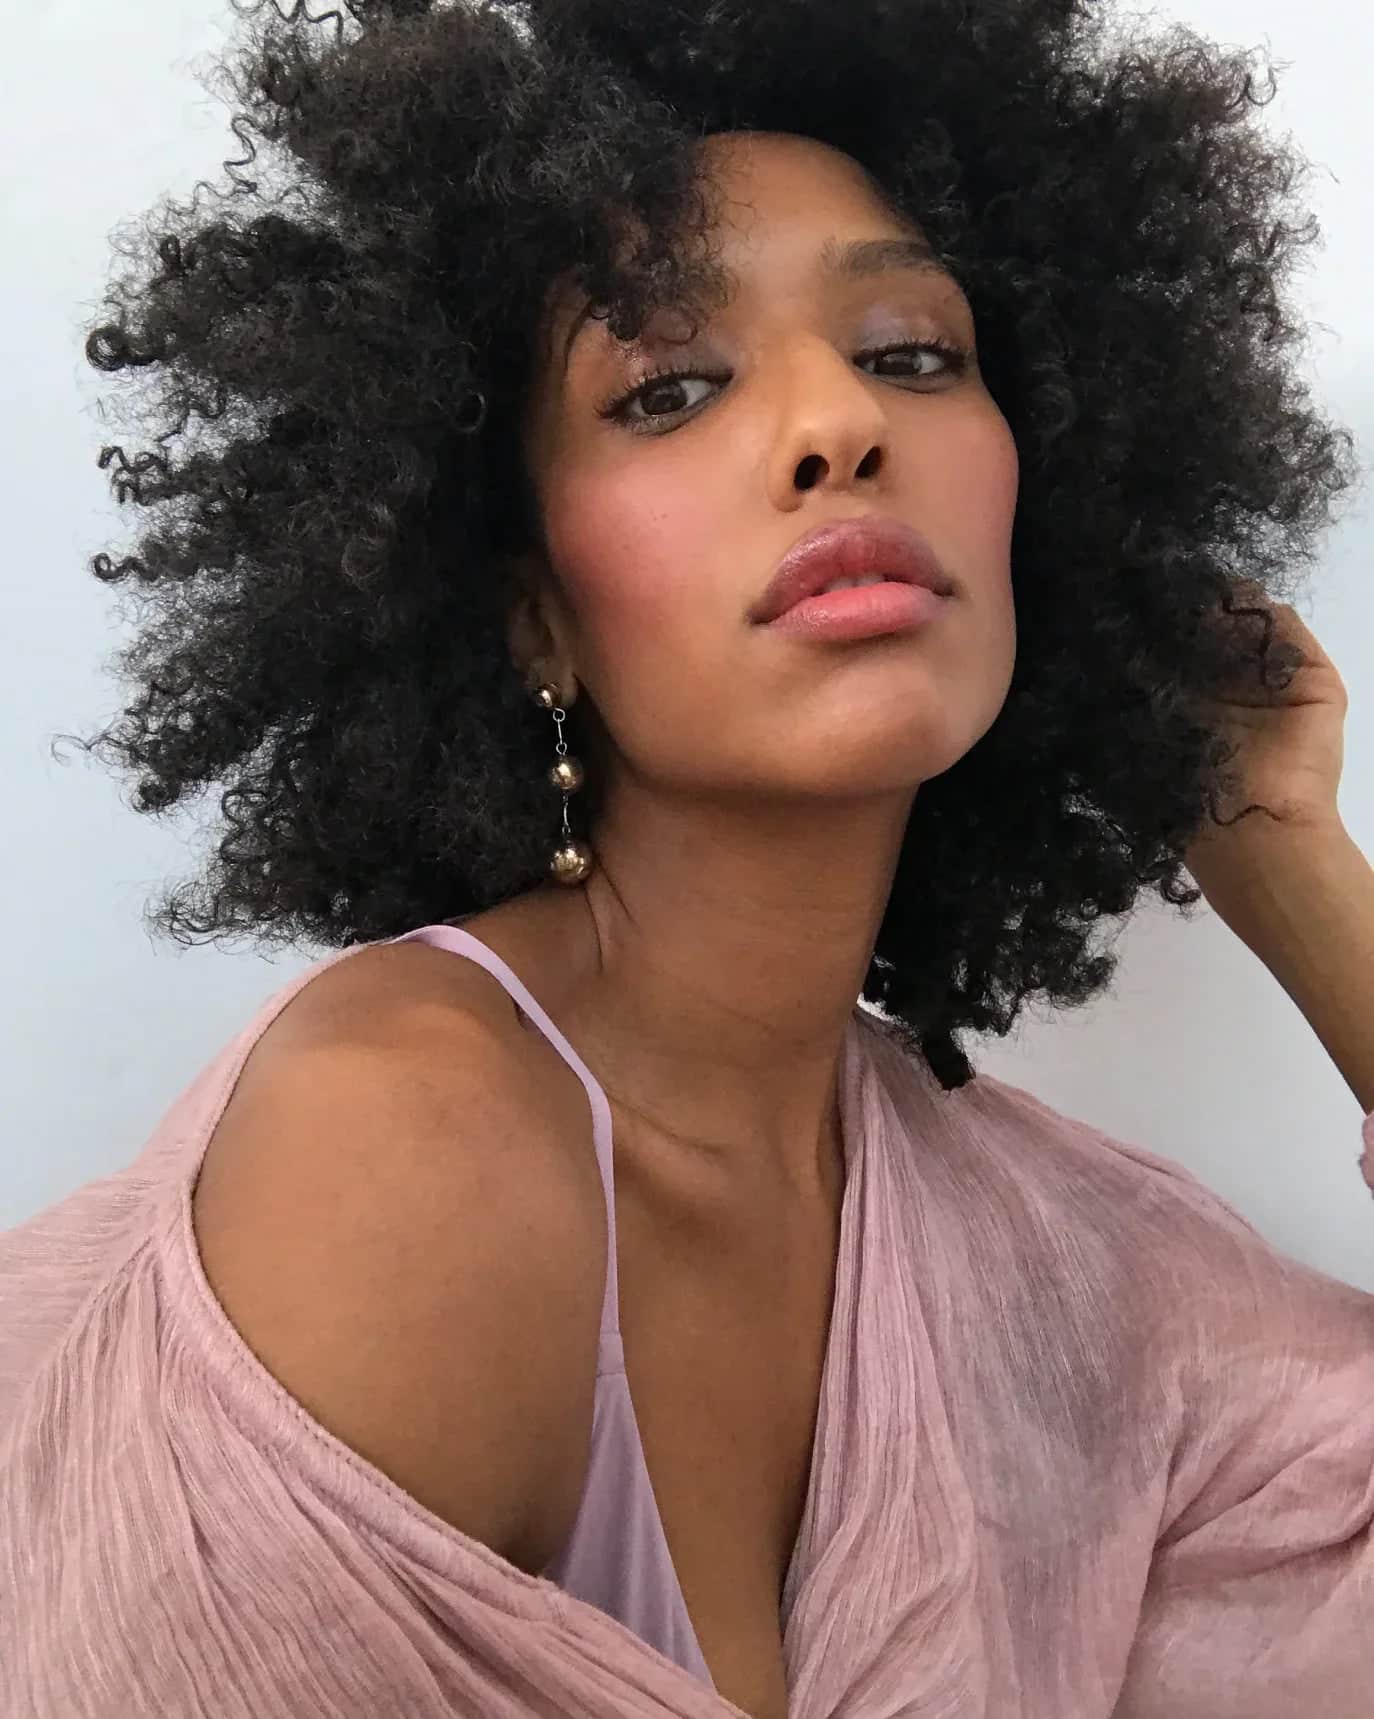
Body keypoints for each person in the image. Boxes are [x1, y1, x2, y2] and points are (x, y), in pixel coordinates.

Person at [3, 2, 1373, 1716]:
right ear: (530, 616)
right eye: (666, 387)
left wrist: (1284, 859)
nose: (836, 423)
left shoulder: (1054, 1256)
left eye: (912, 354)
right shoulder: (410, 1149)